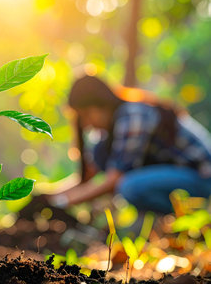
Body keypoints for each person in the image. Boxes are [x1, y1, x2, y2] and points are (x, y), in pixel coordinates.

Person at [37, 75, 211, 219]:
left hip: (202, 178)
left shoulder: (133, 116)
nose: (87, 124)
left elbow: (113, 180)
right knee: (112, 166)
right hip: (180, 178)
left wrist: (60, 202)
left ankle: (196, 218)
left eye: (87, 115)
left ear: (102, 104)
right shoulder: (107, 139)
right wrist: (46, 196)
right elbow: (86, 178)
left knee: (130, 187)